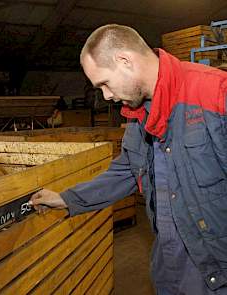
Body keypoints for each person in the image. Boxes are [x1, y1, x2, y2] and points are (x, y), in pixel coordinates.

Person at [29, 24, 227, 294]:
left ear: (125, 61)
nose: (107, 96)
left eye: (104, 84)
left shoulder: (214, 93)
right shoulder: (138, 114)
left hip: (215, 269)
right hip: (169, 265)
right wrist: (67, 199)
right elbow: (126, 172)